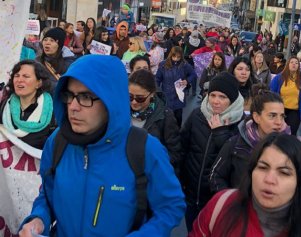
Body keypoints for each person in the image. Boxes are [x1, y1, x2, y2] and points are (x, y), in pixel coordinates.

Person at [19, 55, 185, 237]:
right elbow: (48, 195)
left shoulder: (145, 149)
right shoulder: (58, 141)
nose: (73, 106)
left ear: (110, 100)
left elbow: (171, 207)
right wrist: (38, 218)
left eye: (85, 97)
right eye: (69, 95)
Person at [190, 133, 301, 237]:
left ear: (300, 182)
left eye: (284, 172)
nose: (269, 179)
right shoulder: (221, 206)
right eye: (262, 167)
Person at [181, 71, 244, 231]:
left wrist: (220, 133)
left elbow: (237, 162)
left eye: (222, 97)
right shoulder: (197, 115)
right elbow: (182, 148)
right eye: (213, 95)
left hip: (218, 199)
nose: (216, 101)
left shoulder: (241, 124)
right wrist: (181, 180)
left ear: (233, 99)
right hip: (192, 194)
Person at [209, 85, 290, 193]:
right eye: (272, 116)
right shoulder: (235, 144)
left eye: (282, 116)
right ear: (257, 117)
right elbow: (215, 176)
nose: (279, 122)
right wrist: (231, 201)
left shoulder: (291, 148)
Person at [129, 69, 183, 172]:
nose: (134, 102)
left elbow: (175, 153)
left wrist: (151, 165)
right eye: (130, 97)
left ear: (152, 94)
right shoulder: (120, 112)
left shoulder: (166, 116)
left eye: (140, 98)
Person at [0, 60, 54, 149]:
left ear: (39, 83)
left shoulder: (51, 112)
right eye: (16, 76)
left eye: (26, 76)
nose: (19, 80)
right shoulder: (4, 106)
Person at [155, 46, 197, 126]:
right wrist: (157, 92)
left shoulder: (185, 65)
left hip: (179, 94)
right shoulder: (163, 64)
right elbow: (157, 79)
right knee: (167, 117)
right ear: (171, 55)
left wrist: (187, 81)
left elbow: (193, 74)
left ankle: (178, 132)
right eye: (174, 56)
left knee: (178, 116)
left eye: (178, 57)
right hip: (166, 94)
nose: (176, 59)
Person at [270, 56, 301, 135]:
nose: (294, 64)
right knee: (277, 130)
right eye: (292, 62)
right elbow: (272, 91)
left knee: (291, 132)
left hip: (295, 110)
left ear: (299, 66)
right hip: (280, 109)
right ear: (288, 64)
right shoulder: (279, 77)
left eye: (296, 63)